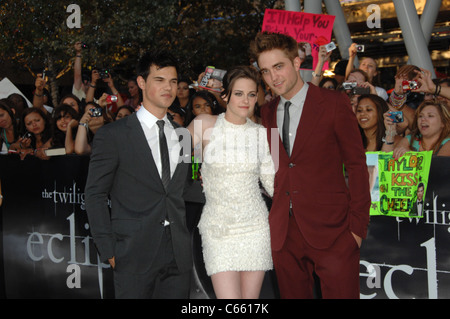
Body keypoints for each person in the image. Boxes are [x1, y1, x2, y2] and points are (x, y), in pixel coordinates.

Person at [250, 31, 371, 299]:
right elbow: (279, 166)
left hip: (335, 231)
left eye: (278, 67)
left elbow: (356, 165)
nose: (273, 78)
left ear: (296, 63)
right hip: (284, 234)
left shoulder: (333, 103)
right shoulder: (267, 112)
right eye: (266, 72)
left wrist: (356, 229)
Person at [85, 49, 193, 299]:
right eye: (160, 80)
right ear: (142, 82)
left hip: (178, 255)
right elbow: (95, 194)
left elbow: (185, 189)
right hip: (131, 252)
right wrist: (108, 249)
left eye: (173, 81)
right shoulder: (113, 135)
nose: (169, 87)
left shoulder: (184, 136)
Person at [187, 65, 274, 299]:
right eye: (238, 93)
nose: (245, 100)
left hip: (255, 227)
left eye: (251, 94)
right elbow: (171, 157)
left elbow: (274, 185)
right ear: (224, 95)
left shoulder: (266, 134)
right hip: (218, 228)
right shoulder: (204, 124)